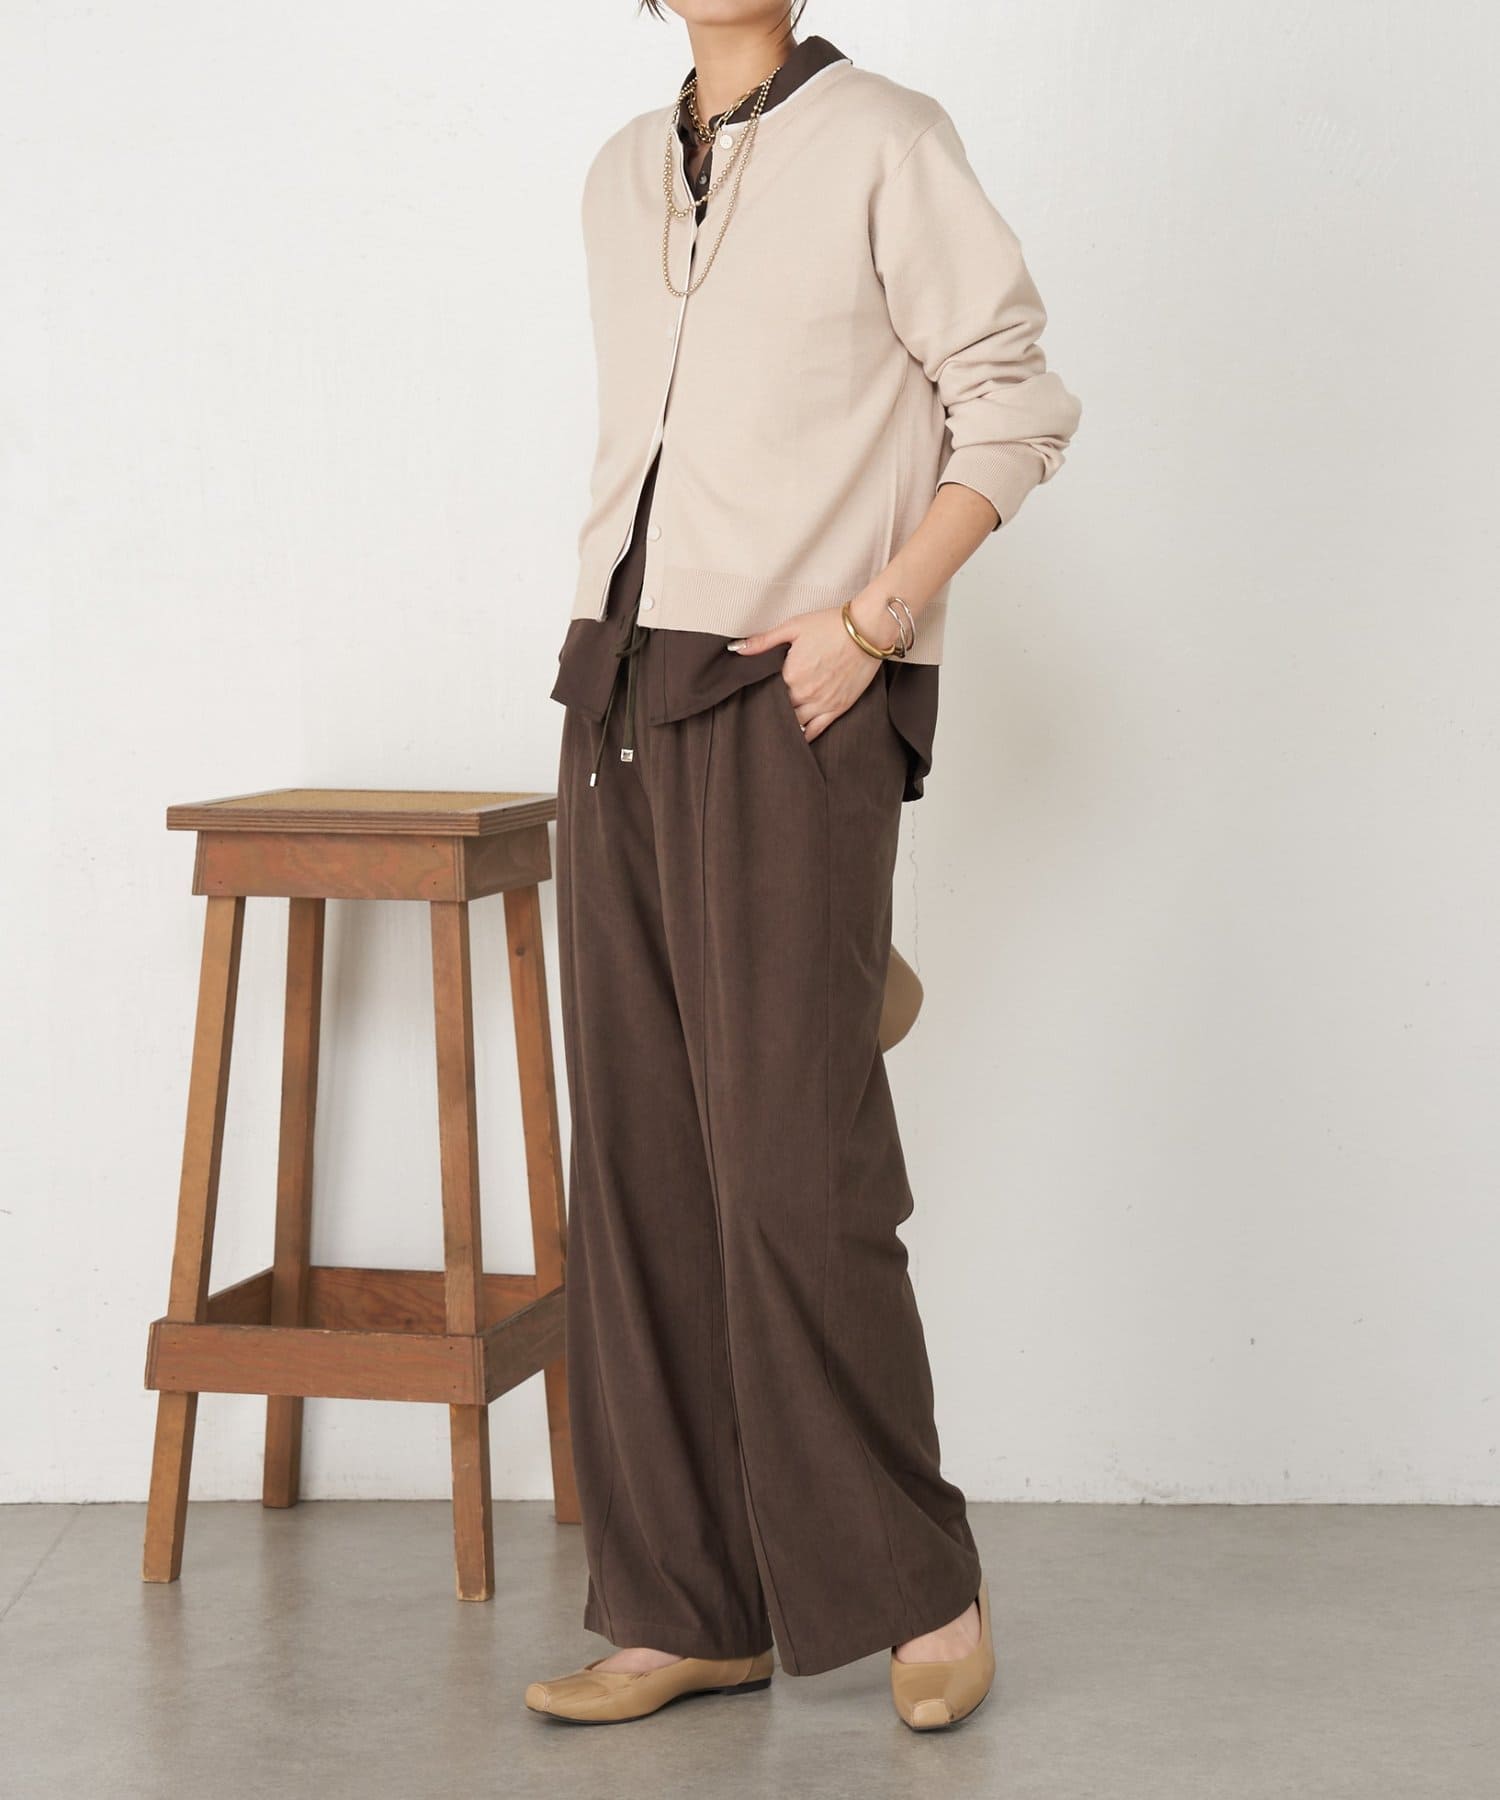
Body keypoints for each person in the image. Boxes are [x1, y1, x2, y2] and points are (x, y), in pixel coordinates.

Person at [526, 0, 1081, 1731]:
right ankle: (690, 1605)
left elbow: (1015, 406)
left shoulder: (889, 140)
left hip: (796, 693)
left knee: (788, 1176)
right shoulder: (621, 172)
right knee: (641, 1167)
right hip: (619, 691)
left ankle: (922, 1586)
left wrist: (879, 618)